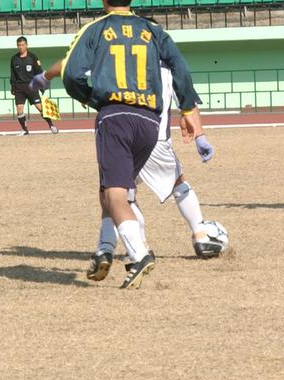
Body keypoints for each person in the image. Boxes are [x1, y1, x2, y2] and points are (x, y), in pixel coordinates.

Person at [29, 0, 203, 289]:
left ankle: (139, 254)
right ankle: (104, 248)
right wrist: (188, 107)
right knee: (112, 189)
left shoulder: (95, 30)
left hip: (115, 118)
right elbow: (179, 65)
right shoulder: (152, 29)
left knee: (116, 194)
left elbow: (71, 73)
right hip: (149, 122)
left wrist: (94, 98)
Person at [87, 65, 221, 282]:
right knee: (178, 183)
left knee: (118, 193)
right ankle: (200, 234)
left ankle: (127, 247)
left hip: (123, 132)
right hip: (153, 136)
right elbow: (188, 100)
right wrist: (200, 136)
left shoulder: (123, 59)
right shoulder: (169, 63)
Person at [9, 36, 58, 135]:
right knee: (19, 109)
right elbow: (13, 74)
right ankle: (25, 130)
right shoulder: (14, 59)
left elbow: (39, 72)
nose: (21, 47)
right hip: (19, 88)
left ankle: (51, 125)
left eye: (23, 45)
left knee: (40, 108)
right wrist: (12, 86)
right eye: (19, 45)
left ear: (26, 45)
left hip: (31, 86)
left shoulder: (33, 57)